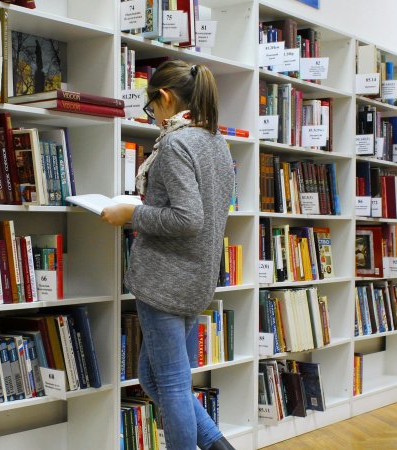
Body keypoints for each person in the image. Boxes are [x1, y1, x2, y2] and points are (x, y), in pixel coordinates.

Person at [101, 60, 235, 450]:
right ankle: (217, 445)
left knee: (172, 383)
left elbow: (188, 218)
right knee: (152, 377)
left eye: (150, 107)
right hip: (196, 278)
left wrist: (131, 213)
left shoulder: (176, 144)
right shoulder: (216, 142)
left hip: (165, 279)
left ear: (165, 98)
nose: (152, 116)